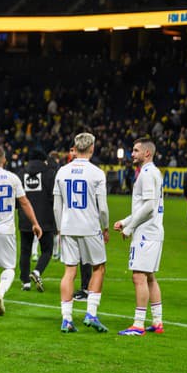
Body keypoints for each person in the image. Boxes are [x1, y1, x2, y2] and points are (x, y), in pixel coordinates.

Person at [0, 145, 41, 316]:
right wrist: (34, 222)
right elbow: (24, 202)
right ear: (4, 160)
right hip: (6, 229)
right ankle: (0, 293)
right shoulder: (12, 178)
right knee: (9, 267)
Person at [53, 133, 110, 333]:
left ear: (75, 149)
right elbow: (102, 208)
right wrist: (105, 226)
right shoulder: (97, 173)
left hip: (68, 227)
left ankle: (66, 319)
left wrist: (60, 228)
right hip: (89, 227)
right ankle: (91, 314)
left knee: (69, 271)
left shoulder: (62, 171)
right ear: (92, 148)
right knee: (99, 267)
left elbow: (56, 206)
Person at [114, 138, 165, 336]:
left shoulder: (146, 173)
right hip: (153, 231)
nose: (132, 154)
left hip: (146, 233)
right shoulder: (152, 172)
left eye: (135, 151)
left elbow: (149, 208)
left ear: (147, 154)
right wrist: (126, 222)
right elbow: (145, 206)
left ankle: (138, 324)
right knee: (150, 277)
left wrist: (130, 227)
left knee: (138, 276)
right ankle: (158, 321)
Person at [18, 148, 56, 292]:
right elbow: (54, 197)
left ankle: (25, 282)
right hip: (45, 218)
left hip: (26, 217)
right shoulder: (49, 174)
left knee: (25, 251)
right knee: (47, 250)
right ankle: (37, 271)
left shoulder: (21, 174)